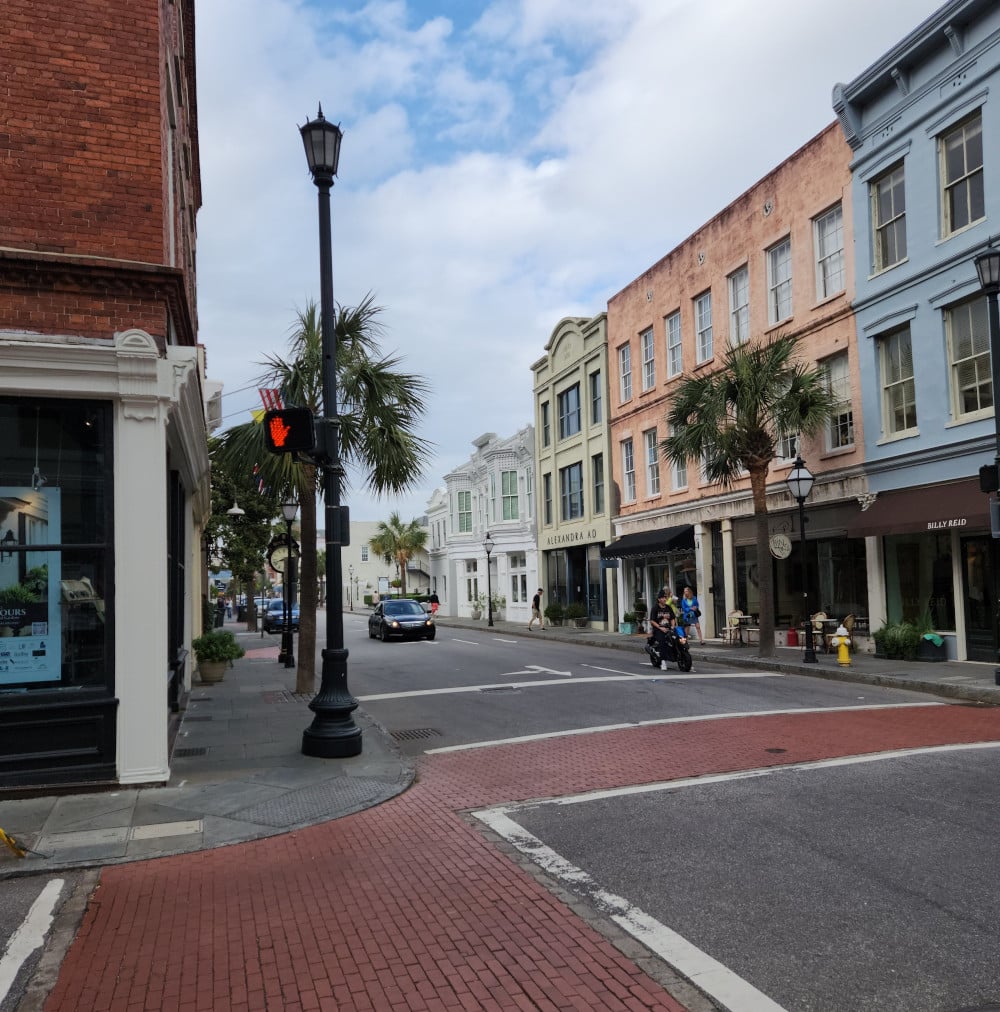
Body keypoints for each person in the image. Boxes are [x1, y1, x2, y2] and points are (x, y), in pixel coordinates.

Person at [650, 589, 676, 670]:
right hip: (658, 629)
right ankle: (663, 662)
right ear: (659, 599)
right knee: (662, 641)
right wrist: (660, 628)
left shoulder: (668, 607)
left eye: (665, 598)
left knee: (678, 637)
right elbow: (652, 621)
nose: (664, 599)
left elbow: (672, 618)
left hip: (668, 628)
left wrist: (673, 626)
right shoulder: (655, 608)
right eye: (662, 598)